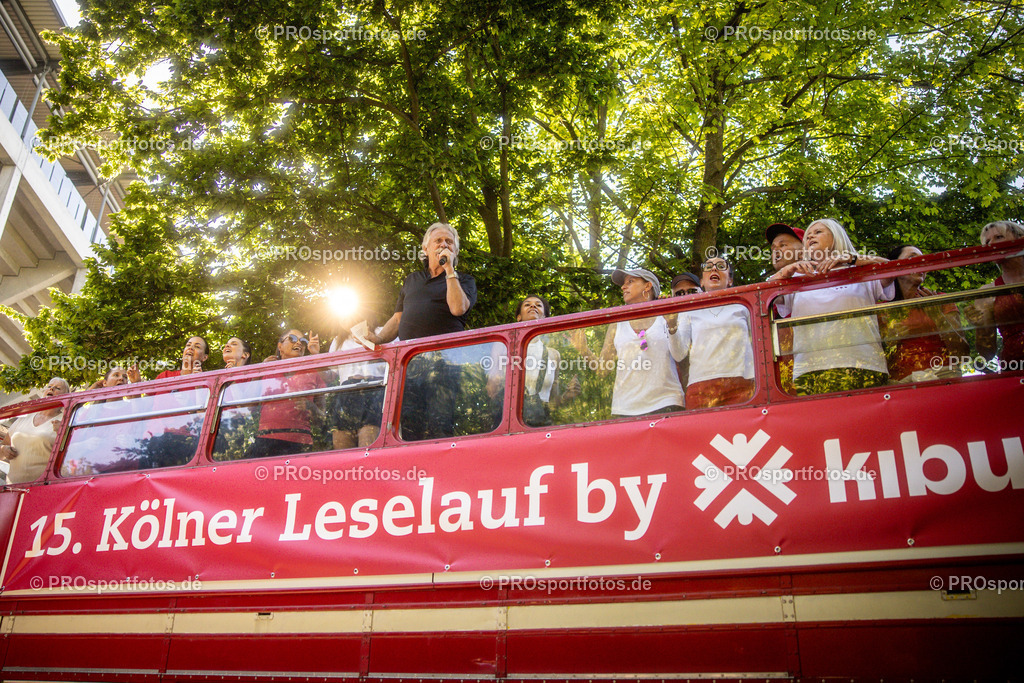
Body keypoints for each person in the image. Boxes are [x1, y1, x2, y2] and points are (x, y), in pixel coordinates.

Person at [773, 218, 894, 395]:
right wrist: (785, 272)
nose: (810, 237)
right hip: (810, 370)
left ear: (837, 236)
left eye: (818, 232)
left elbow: (893, 270)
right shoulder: (796, 279)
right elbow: (763, 297)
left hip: (863, 364)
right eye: (808, 236)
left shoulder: (862, 270)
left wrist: (853, 259)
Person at [574, 269, 684, 416]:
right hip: (625, 408)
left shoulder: (669, 315)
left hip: (667, 402)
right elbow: (603, 370)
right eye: (624, 283)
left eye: (630, 282)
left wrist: (672, 324)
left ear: (647, 286)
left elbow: (681, 355)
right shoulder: (617, 323)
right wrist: (583, 349)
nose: (623, 287)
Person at [367, 223, 477, 343]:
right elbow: (398, 319)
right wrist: (379, 338)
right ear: (425, 249)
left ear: (455, 252)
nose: (444, 245)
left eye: (449, 242)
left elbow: (458, 309)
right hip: (410, 352)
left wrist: (449, 269)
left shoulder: (464, 280)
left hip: (446, 351)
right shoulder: (412, 279)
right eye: (438, 240)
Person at [673, 256, 755, 409]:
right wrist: (671, 326)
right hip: (701, 387)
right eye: (708, 266)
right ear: (702, 282)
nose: (714, 269)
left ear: (730, 280)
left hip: (743, 384)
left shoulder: (743, 305)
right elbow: (679, 354)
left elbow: (759, 344)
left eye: (721, 266)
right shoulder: (689, 310)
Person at [883, 245, 969, 382]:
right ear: (895, 268)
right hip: (898, 383)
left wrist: (938, 317)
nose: (921, 263)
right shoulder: (882, 308)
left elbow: (963, 353)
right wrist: (889, 341)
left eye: (924, 261)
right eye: (912, 258)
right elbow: (873, 356)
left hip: (941, 376)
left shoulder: (940, 301)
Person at [246, 329, 326, 458]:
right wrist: (259, 370)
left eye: (303, 341)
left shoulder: (313, 372)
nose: (299, 343)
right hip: (265, 440)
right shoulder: (267, 370)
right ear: (280, 346)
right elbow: (248, 406)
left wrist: (309, 406)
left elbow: (322, 420)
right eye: (292, 338)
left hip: (300, 443)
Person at [511, 295, 581, 426]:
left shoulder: (553, 355)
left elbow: (553, 402)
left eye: (538, 305)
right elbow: (494, 388)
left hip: (541, 423)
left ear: (545, 317)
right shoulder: (508, 348)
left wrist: (567, 395)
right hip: (510, 421)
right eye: (527, 304)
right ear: (519, 317)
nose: (533, 306)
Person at [966, 221, 1024, 364]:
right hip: (1016, 367)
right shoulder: (987, 292)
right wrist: (980, 326)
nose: (991, 244)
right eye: (987, 242)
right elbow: (987, 353)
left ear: (1020, 239)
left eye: (998, 237)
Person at [1, 378, 70, 484]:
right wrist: (4, 450)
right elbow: (3, 446)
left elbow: (73, 456)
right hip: (13, 487)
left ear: (66, 396)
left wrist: (63, 433)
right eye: (49, 386)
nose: (51, 389)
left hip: (44, 487)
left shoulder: (65, 421)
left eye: (57, 388)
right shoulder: (24, 418)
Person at [765, 223, 806, 392]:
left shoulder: (825, 276)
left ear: (804, 250)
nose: (776, 251)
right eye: (773, 248)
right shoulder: (772, 287)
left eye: (783, 245)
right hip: (784, 377)